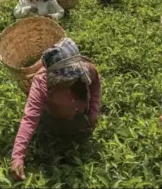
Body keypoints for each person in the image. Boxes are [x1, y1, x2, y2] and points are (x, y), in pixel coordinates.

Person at [10, 38, 101, 181]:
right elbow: (29, 119)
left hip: (81, 116)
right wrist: (17, 157)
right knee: (54, 140)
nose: (64, 82)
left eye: (68, 79)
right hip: (55, 120)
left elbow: (95, 86)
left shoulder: (87, 70)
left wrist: (94, 111)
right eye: (60, 80)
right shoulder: (42, 82)